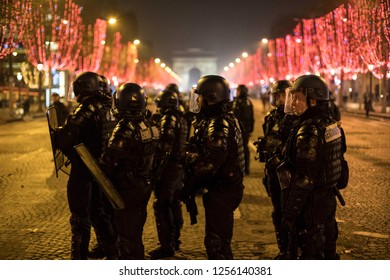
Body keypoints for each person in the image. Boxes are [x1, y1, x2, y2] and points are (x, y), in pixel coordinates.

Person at [278, 74, 347, 259]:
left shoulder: (309, 130)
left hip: (310, 206)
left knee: (311, 254)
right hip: (327, 198)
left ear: (313, 101)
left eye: (298, 99)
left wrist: (289, 214)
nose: (293, 103)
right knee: (327, 249)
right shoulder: (330, 124)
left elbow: (303, 179)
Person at [181, 75, 245, 259]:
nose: (197, 100)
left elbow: (209, 166)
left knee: (216, 243)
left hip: (223, 189)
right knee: (218, 240)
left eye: (199, 96)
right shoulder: (222, 119)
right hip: (224, 187)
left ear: (211, 98)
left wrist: (187, 187)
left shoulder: (218, 124)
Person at [55, 71, 118, 259]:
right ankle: (111, 249)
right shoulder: (108, 108)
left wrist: (58, 136)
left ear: (82, 88)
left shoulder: (86, 109)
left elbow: (67, 136)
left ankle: (79, 256)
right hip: (101, 168)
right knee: (98, 211)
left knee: (80, 215)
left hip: (83, 168)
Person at [103, 82, 159, 259]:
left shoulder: (124, 129)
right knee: (135, 232)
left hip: (126, 188)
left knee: (126, 235)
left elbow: (110, 161)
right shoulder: (148, 125)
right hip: (142, 185)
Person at [256, 80, 297, 259]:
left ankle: (292, 249)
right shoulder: (271, 115)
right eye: (274, 96)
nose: (277, 99)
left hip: (287, 172)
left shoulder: (295, 116)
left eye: (279, 95)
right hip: (273, 172)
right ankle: (283, 249)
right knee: (277, 212)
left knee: (289, 213)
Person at [148, 89, 188, 259]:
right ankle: (175, 239)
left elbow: (163, 147)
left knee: (162, 205)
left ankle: (167, 244)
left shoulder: (168, 119)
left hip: (168, 168)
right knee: (173, 203)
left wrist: (154, 169)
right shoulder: (181, 118)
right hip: (178, 167)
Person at [232, 84, 254, 175]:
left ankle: (243, 167)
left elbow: (241, 116)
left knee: (242, 148)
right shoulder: (248, 101)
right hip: (245, 129)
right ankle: (244, 167)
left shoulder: (240, 102)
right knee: (244, 148)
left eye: (238, 91)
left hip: (241, 129)